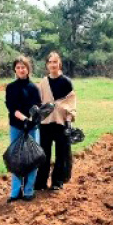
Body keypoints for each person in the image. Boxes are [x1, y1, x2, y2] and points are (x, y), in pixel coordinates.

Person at [35, 52, 76, 192]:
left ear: (60, 64)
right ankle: (40, 182)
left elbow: (71, 103)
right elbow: (38, 102)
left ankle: (57, 182)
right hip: (45, 123)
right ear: (47, 65)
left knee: (61, 154)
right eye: (50, 62)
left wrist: (69, 121)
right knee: (43, 154)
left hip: (61, 123)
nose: (53, 65)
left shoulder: (66, 82)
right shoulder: (43, 83)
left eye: (55, 62)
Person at [5, 55, 42, 202]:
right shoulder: (11, 87)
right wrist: (24, 119)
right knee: (15, 159)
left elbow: (37, 106)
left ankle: (28, 191)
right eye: (18, 67)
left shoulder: (33, 88)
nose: (21, 70)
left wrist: (32, 119)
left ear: (28, 69)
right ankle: (15, 192)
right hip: (16, 127)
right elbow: (11, 107)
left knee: (32, 159)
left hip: (32, 129)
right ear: (15, 69)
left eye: (23, 67)